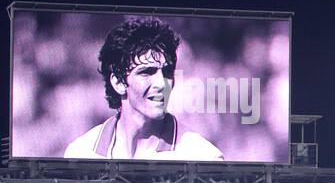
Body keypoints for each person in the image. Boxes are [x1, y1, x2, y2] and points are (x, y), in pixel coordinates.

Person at [64, 17, 224, 160]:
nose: (162, 83)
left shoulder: (203, 156)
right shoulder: (81, 154)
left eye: (167, 72)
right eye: (147, 72)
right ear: (118, 82)